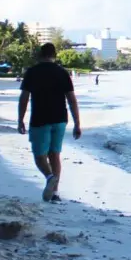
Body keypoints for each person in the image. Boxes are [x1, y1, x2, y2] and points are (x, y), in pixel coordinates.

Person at [17, 43, 81, 201]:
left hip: (40, 119)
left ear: (40, 55)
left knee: (40, 156)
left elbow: (24, 98)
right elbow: (72, 100)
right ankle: (55, 193)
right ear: (55, 55)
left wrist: (20, 120)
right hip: (60, 119)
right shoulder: (62, 72)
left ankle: (50, 177)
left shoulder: (32, 72)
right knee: (55, 155)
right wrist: (77, 124)